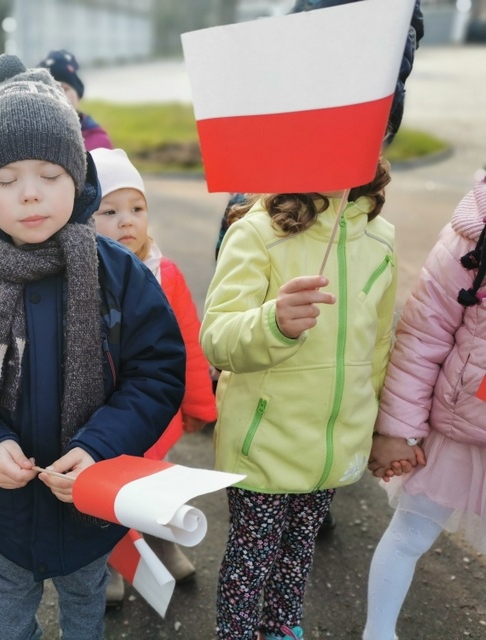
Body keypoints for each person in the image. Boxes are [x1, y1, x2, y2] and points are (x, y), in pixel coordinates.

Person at [0, 54, 185, 640]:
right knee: (10, 597)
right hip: (4, 505)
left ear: (80, 178)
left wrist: (101, 444)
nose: (30, 196)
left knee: (86, 597)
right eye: (8, 181)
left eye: (51, 176)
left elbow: (157, 372)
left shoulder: (118, 273)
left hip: (89, 495)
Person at [201, 159, 397, 640]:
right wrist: (272, 323)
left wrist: (375, 426)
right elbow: (217, 338)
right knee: (252, 564)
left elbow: (379, 344)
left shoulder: (380, 239)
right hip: (264, 443)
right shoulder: (257, 232)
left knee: (298, 554)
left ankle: (284, 628)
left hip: (335, 442)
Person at [89, 147, 217, 605]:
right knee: (107, 493)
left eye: (137, 208)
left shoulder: (165, 274)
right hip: (101, 416)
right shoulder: (82, 278)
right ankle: (115, 563)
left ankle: (161, 544)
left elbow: (188, 342)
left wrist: (200, 405)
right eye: (110, 210)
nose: (127, 221)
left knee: (155, 484)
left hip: (156, 415)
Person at [362, 176, 486, 640]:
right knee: (411, 533)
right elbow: (424, 332)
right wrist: (399, 429)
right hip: (460, 426)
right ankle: (378, 633)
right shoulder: (477, 225)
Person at [37, 49, 113, 151]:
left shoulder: (97, 143)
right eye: (47, 89)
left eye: (63, 88)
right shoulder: (32, 138)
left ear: (77, 94)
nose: (55, 96)